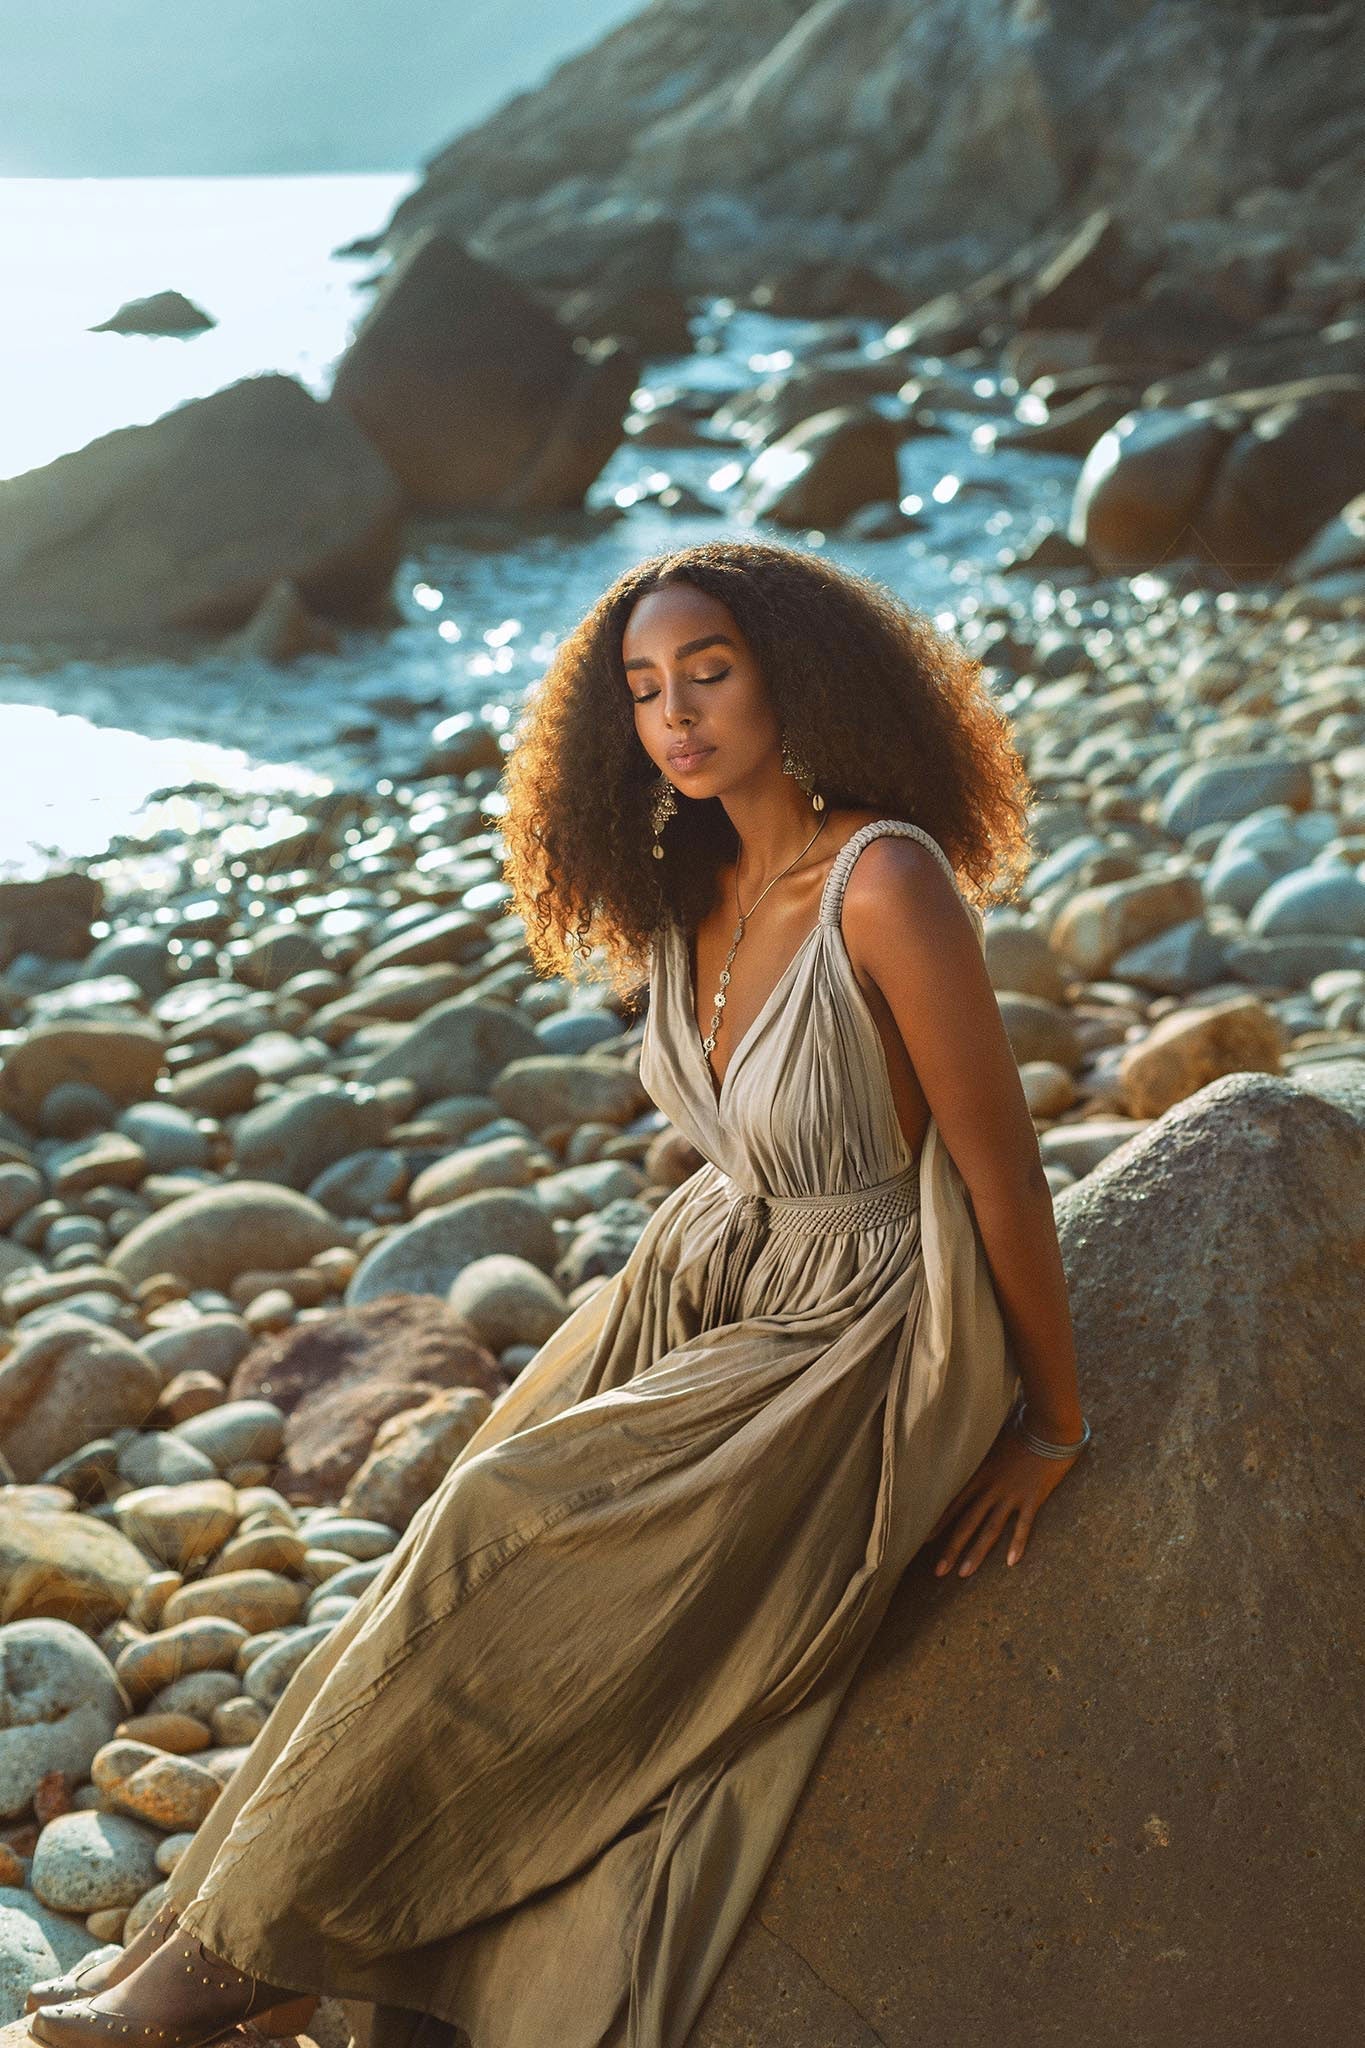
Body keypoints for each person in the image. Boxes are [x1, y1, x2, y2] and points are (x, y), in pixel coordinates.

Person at [26, 538, 1089, 2048]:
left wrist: (1048, 1425)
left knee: (496, 1522)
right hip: (710, 1274)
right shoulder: (685, 883)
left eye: (708, 673)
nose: (676, 716)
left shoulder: (886, 881)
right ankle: (226, 1928)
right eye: (644, 689)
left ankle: (247, 1957)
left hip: (859, 1320)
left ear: (796, 678)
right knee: (434, 1555)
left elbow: (1003, 1174)